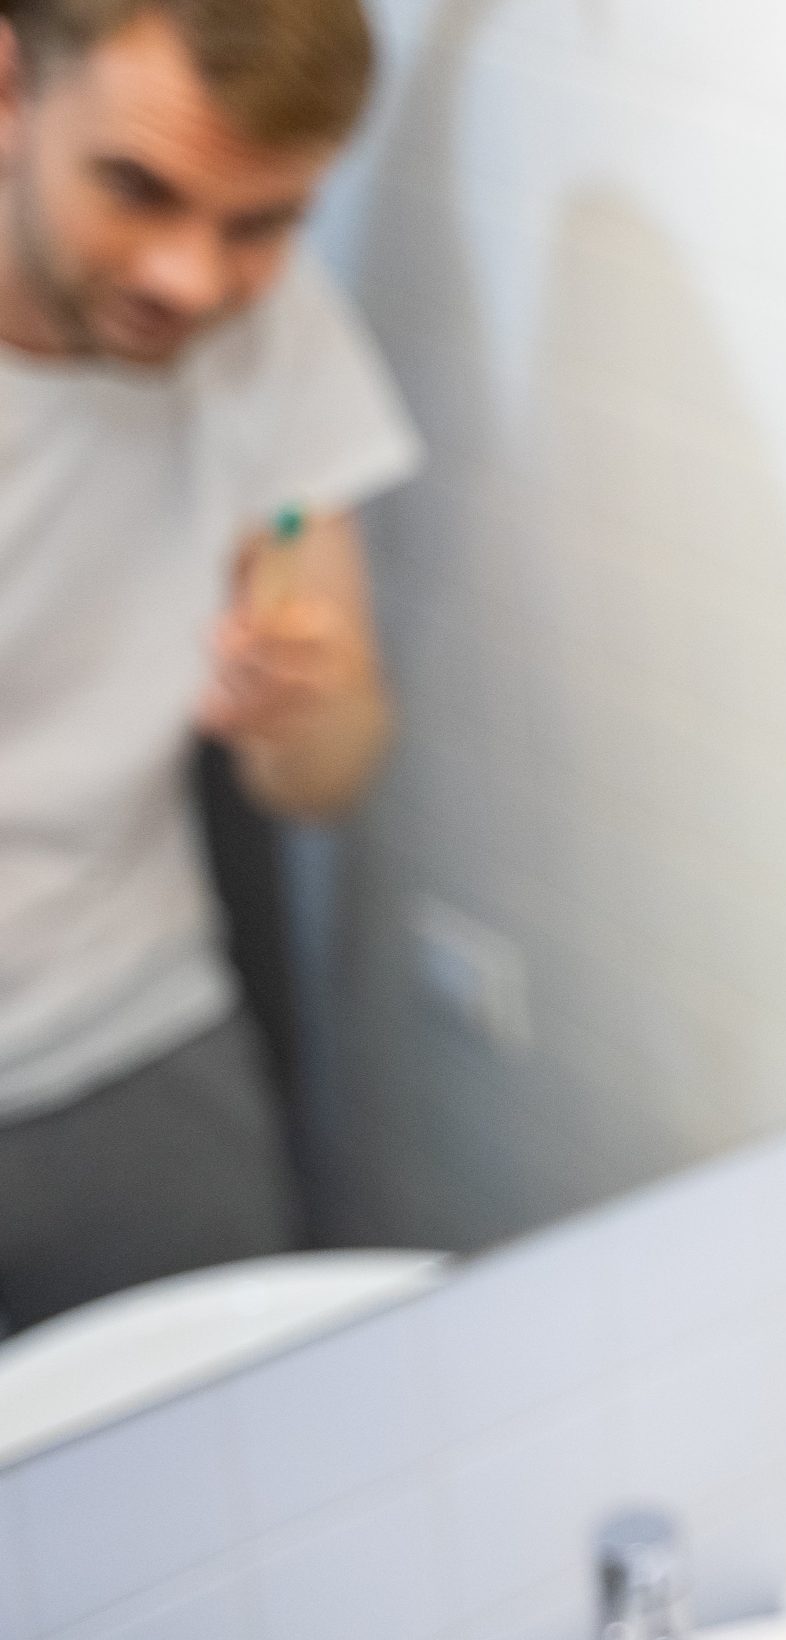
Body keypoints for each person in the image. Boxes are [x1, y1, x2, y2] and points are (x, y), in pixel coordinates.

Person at [0, 0, 419, 1329]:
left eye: (260, 223)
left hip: (131, 1032)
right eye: (138, 189)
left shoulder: (275, 327)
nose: (190, 279)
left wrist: (305, 704)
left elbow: (327, 775)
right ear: (8, 86)